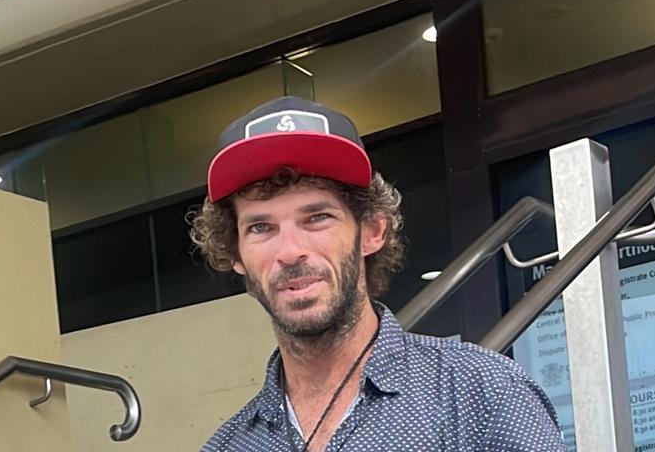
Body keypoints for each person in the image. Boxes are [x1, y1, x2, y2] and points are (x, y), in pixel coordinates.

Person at [191, 96, 565, 452]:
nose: (289, 251)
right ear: (235, 254)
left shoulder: (481, 393)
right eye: (260, 228)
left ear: (371, 232)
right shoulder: (229, 445)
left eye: (317, 217)